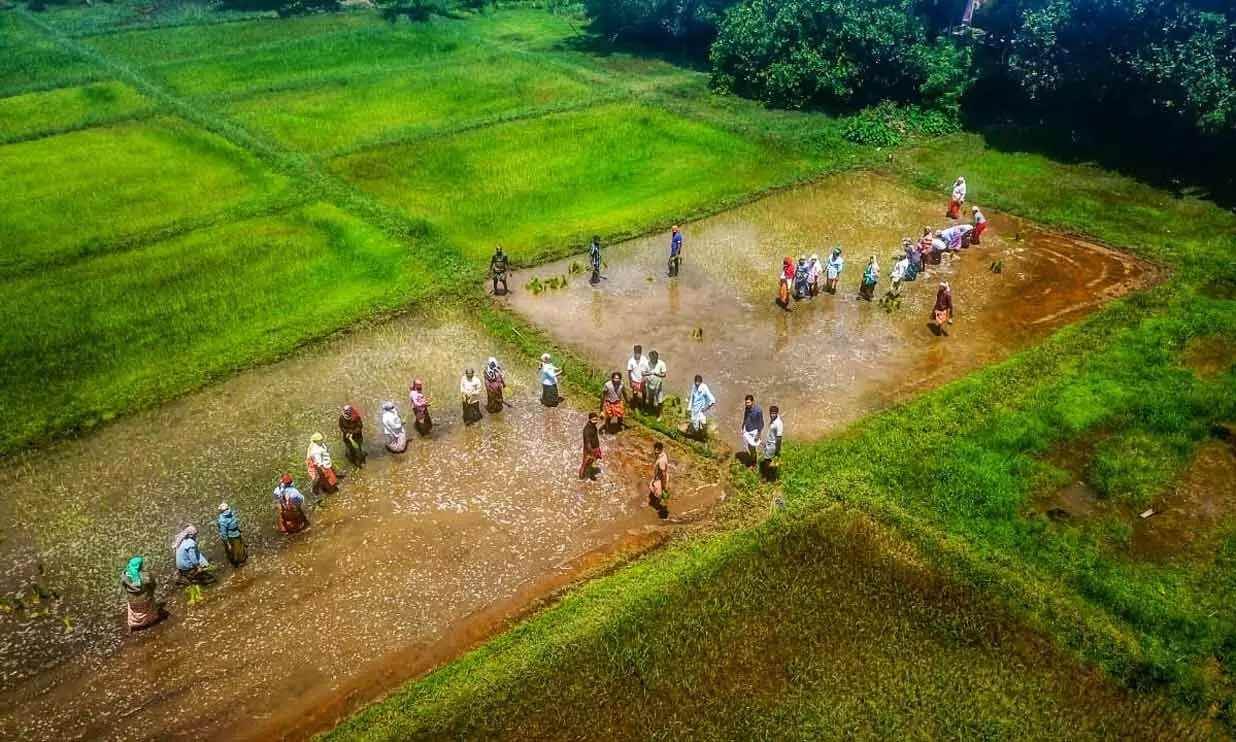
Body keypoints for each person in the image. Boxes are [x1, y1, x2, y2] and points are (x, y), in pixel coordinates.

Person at [121, 556, 162, 632]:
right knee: (150, 603)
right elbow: (153, 585)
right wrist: (151, 592)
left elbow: (124, 587)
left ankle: (133, 624)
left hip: (132, 600)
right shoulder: (145, 576)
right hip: (145, 599)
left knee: (133, 609)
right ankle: (150, 620)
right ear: (140, 566)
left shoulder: (124, 575)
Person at [216, 502, 246, 567]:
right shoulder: (226, 517)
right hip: (233, 535)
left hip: (234, 535)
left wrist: (228, 543)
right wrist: (228, 543)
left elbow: (224, 533)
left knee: (236, 549)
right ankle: (239, 561)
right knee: (236, 549)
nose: (227, 511)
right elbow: (224, 533)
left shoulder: (226, 517)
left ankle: (238, 561)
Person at [760, 406, 784, 480]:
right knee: (769, 460)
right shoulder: (773, 420)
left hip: (773, 445)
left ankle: (769, 476)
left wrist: (777, 449)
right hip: (769, 443)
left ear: (777, 413)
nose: (772, 415)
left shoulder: (778, 423)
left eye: (774, 413)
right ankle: (772, 473)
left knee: (767, 460)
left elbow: (779, 438)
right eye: (771, 413)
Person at [740, 394, 764, 466]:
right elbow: (745, 417)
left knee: (752, 448)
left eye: (748, 402)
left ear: (753, 402)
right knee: (748, 446)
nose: (747, 404)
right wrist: (743, 425)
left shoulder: (758, 410)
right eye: (746, 403)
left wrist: (758, 435)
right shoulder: (747, 408)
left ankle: (754, 463)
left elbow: (761, 423)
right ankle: (753, 459)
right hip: (747, 430)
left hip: (754, 432)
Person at [649, 441, 669, 519]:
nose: (654, 451)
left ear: (658, 449)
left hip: (660, 480)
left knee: (658, 494)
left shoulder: (661, 461)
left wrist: (663, 486)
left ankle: (660, 509)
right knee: (656, 493)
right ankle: (659, 504)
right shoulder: (662, 454)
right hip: (660, 477)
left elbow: (663, 474)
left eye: (655, 450)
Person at [580, 412, 602, 480]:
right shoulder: (587, 430)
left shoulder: (593, 426)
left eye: (596, 420)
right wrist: (591, 451)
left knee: (591, 462)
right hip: (590, 449)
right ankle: (581, 477)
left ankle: (588, 473)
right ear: (589, 420)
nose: (595, 421)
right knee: (585, 463)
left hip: (595, 447)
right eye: (594, 420)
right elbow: (587, 442)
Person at [644, 350, 667, 415]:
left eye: (655, 358)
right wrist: (649, 373)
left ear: (657, 357)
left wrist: (657, 374)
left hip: (658, 385)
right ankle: (650, 411)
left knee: (659, 401)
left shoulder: (661, 363)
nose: (653, 360)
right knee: (650, 399)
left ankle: (659, 414)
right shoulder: (647, 363)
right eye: (652, 358)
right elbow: (643, 373)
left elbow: (664, 374)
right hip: (649, 384)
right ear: (650, 358)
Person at [627, 345, 649, 410]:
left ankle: (644, 403)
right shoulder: (631, 361)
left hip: (642, 380)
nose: (637, 354)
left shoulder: (644, 359)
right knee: (635, 393)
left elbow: (647, 368)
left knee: (644, 392)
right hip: (635, 380)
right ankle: (635, 405)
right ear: (634, 352)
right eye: (636, 352)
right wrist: (630, 381)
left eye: (639, 352)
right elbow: (629, 372)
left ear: (641, 352)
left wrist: (647, 378)